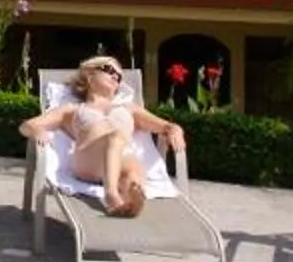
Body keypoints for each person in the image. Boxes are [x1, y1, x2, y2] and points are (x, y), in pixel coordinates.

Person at [20, 56, 187, 217]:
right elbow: (27, 125)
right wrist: (37, 131)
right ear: (89, 74)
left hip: (123, 161)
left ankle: (131, 200)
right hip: (88, 161)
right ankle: (111, 194)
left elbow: (166, 126)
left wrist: (176, 130)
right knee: (115, 136)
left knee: (132, 173)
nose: (115, 77)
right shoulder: (73, 109)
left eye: (119, 77)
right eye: (109, 70)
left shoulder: (129, 108)